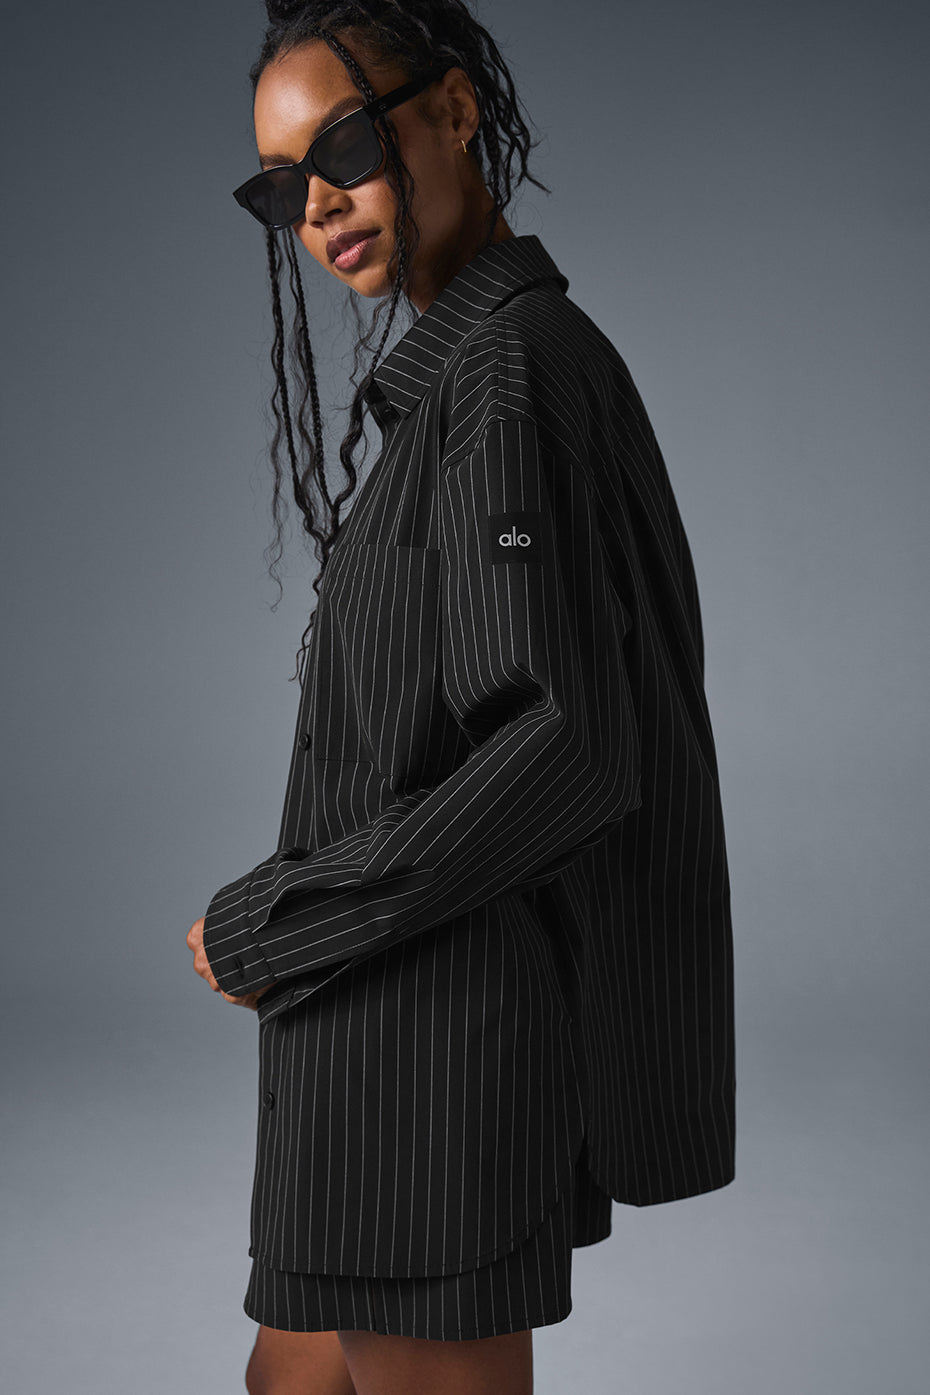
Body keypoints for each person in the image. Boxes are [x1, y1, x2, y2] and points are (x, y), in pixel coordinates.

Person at [186, 2, 736, 1392]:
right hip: (374, 1041)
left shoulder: (504, 376)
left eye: (343, 148)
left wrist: (282, 920)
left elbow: (563, 746)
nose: (319, 206)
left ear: (451, 112)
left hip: (436, 1057)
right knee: (289, 1379)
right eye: (281, 187)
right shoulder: (471, 377)